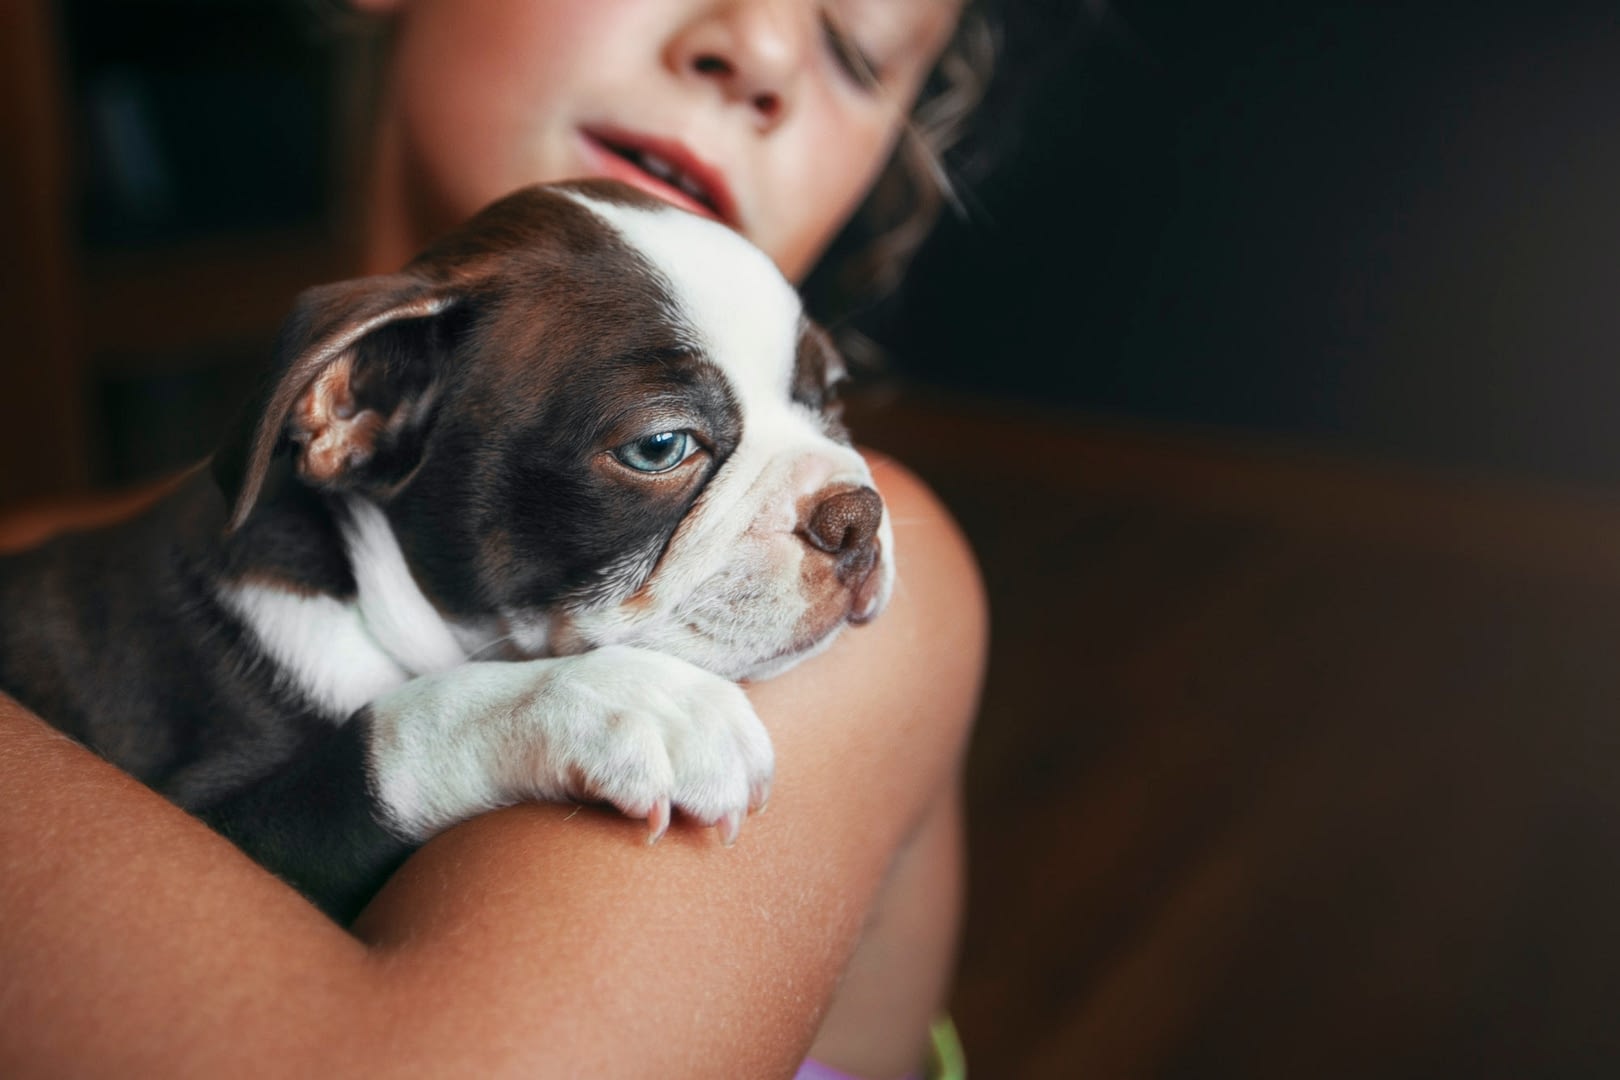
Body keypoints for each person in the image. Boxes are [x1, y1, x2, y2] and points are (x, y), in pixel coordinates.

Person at [0, 2, 993, 1076]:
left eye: (856, 55)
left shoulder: (890, 605)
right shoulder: (109, 582)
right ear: (349, 407)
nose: (758, 49)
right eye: (663, 442)